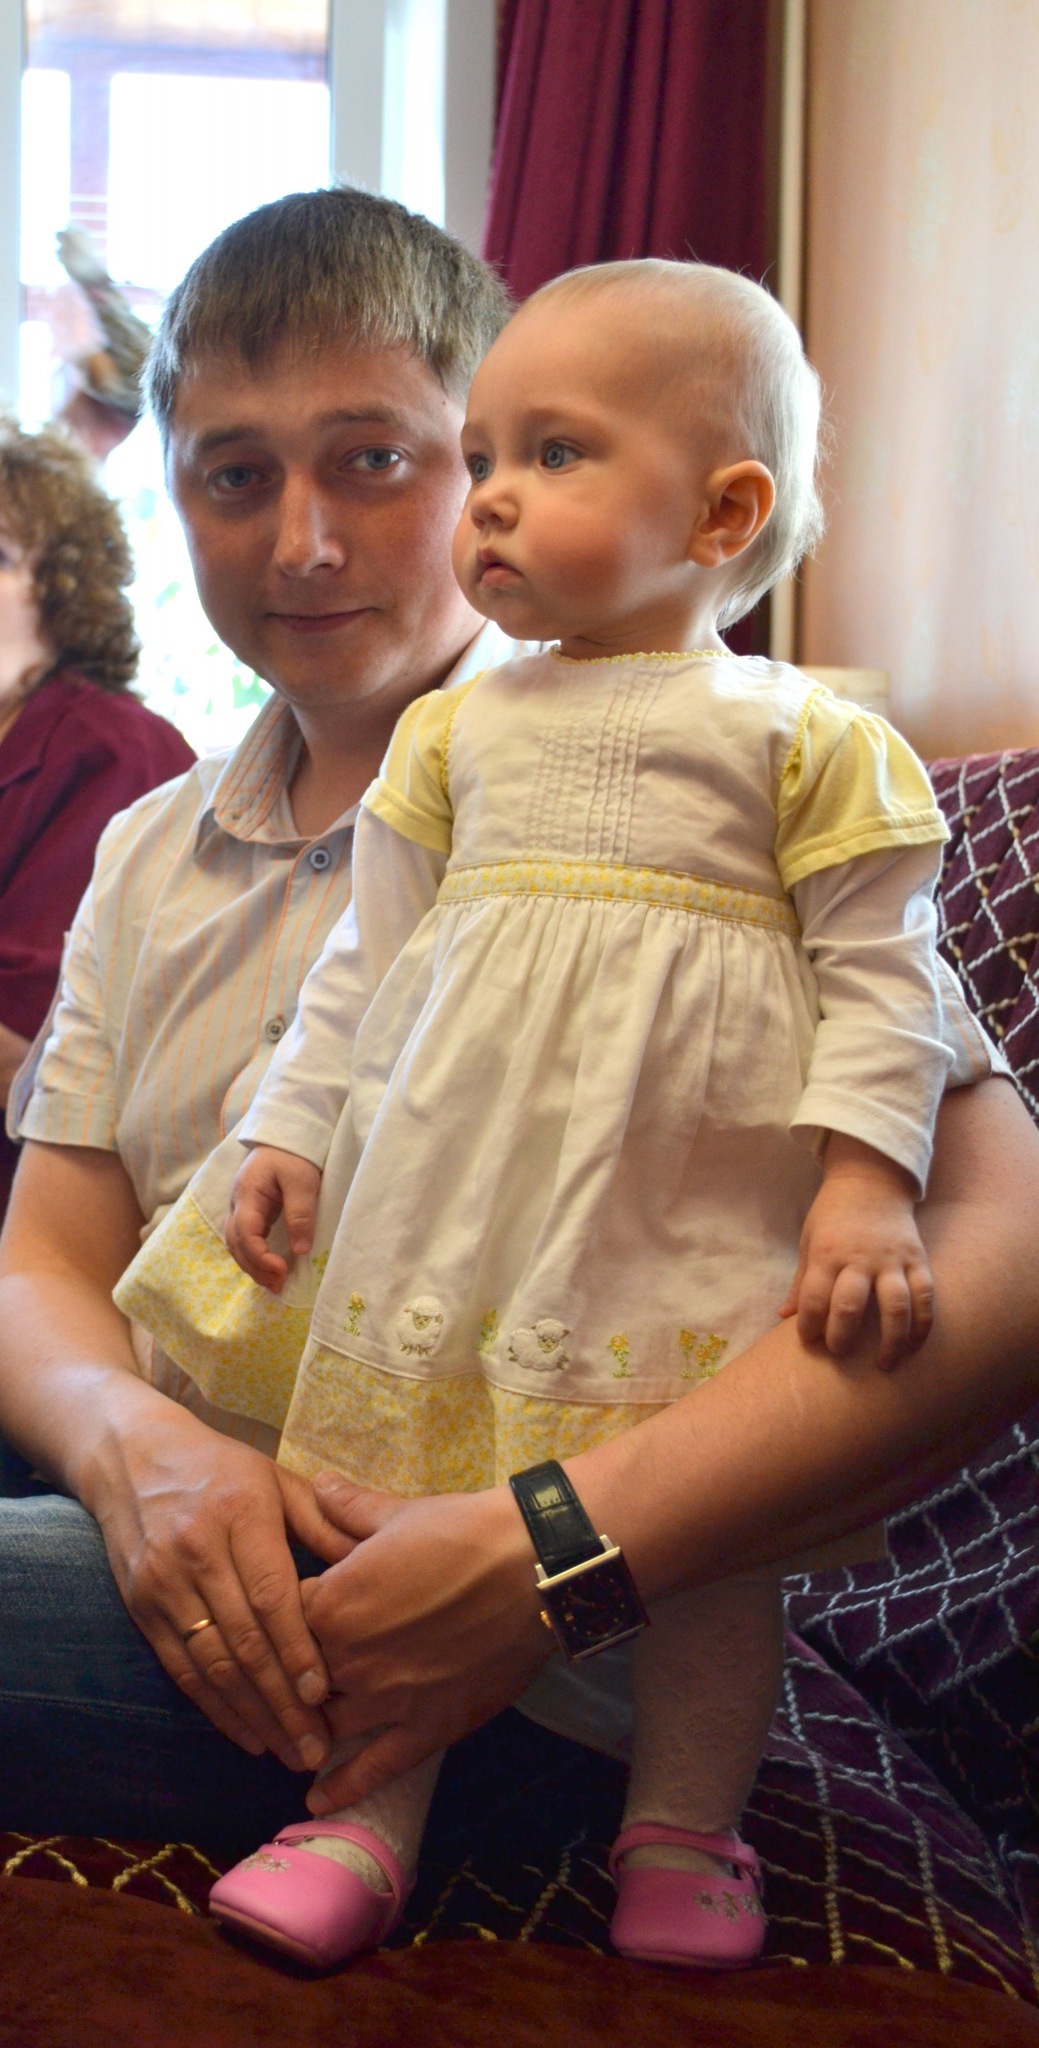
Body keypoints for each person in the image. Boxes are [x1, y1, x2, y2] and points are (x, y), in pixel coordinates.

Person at [0, 187, 1037, 1940]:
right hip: (168, 1514)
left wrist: (553, 1545)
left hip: (501, 1613)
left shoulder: (709, 773)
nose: (303, 543)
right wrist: (129, 1448)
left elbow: (1004, 1262)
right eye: (234, 475)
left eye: (374, 461)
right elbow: (43, 1255)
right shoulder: (146, 850)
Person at [0, 412, 194, 1217]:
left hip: (44, 1215)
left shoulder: (113, 750)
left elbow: (36, 1062)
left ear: (64, 594)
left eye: (0, 556)